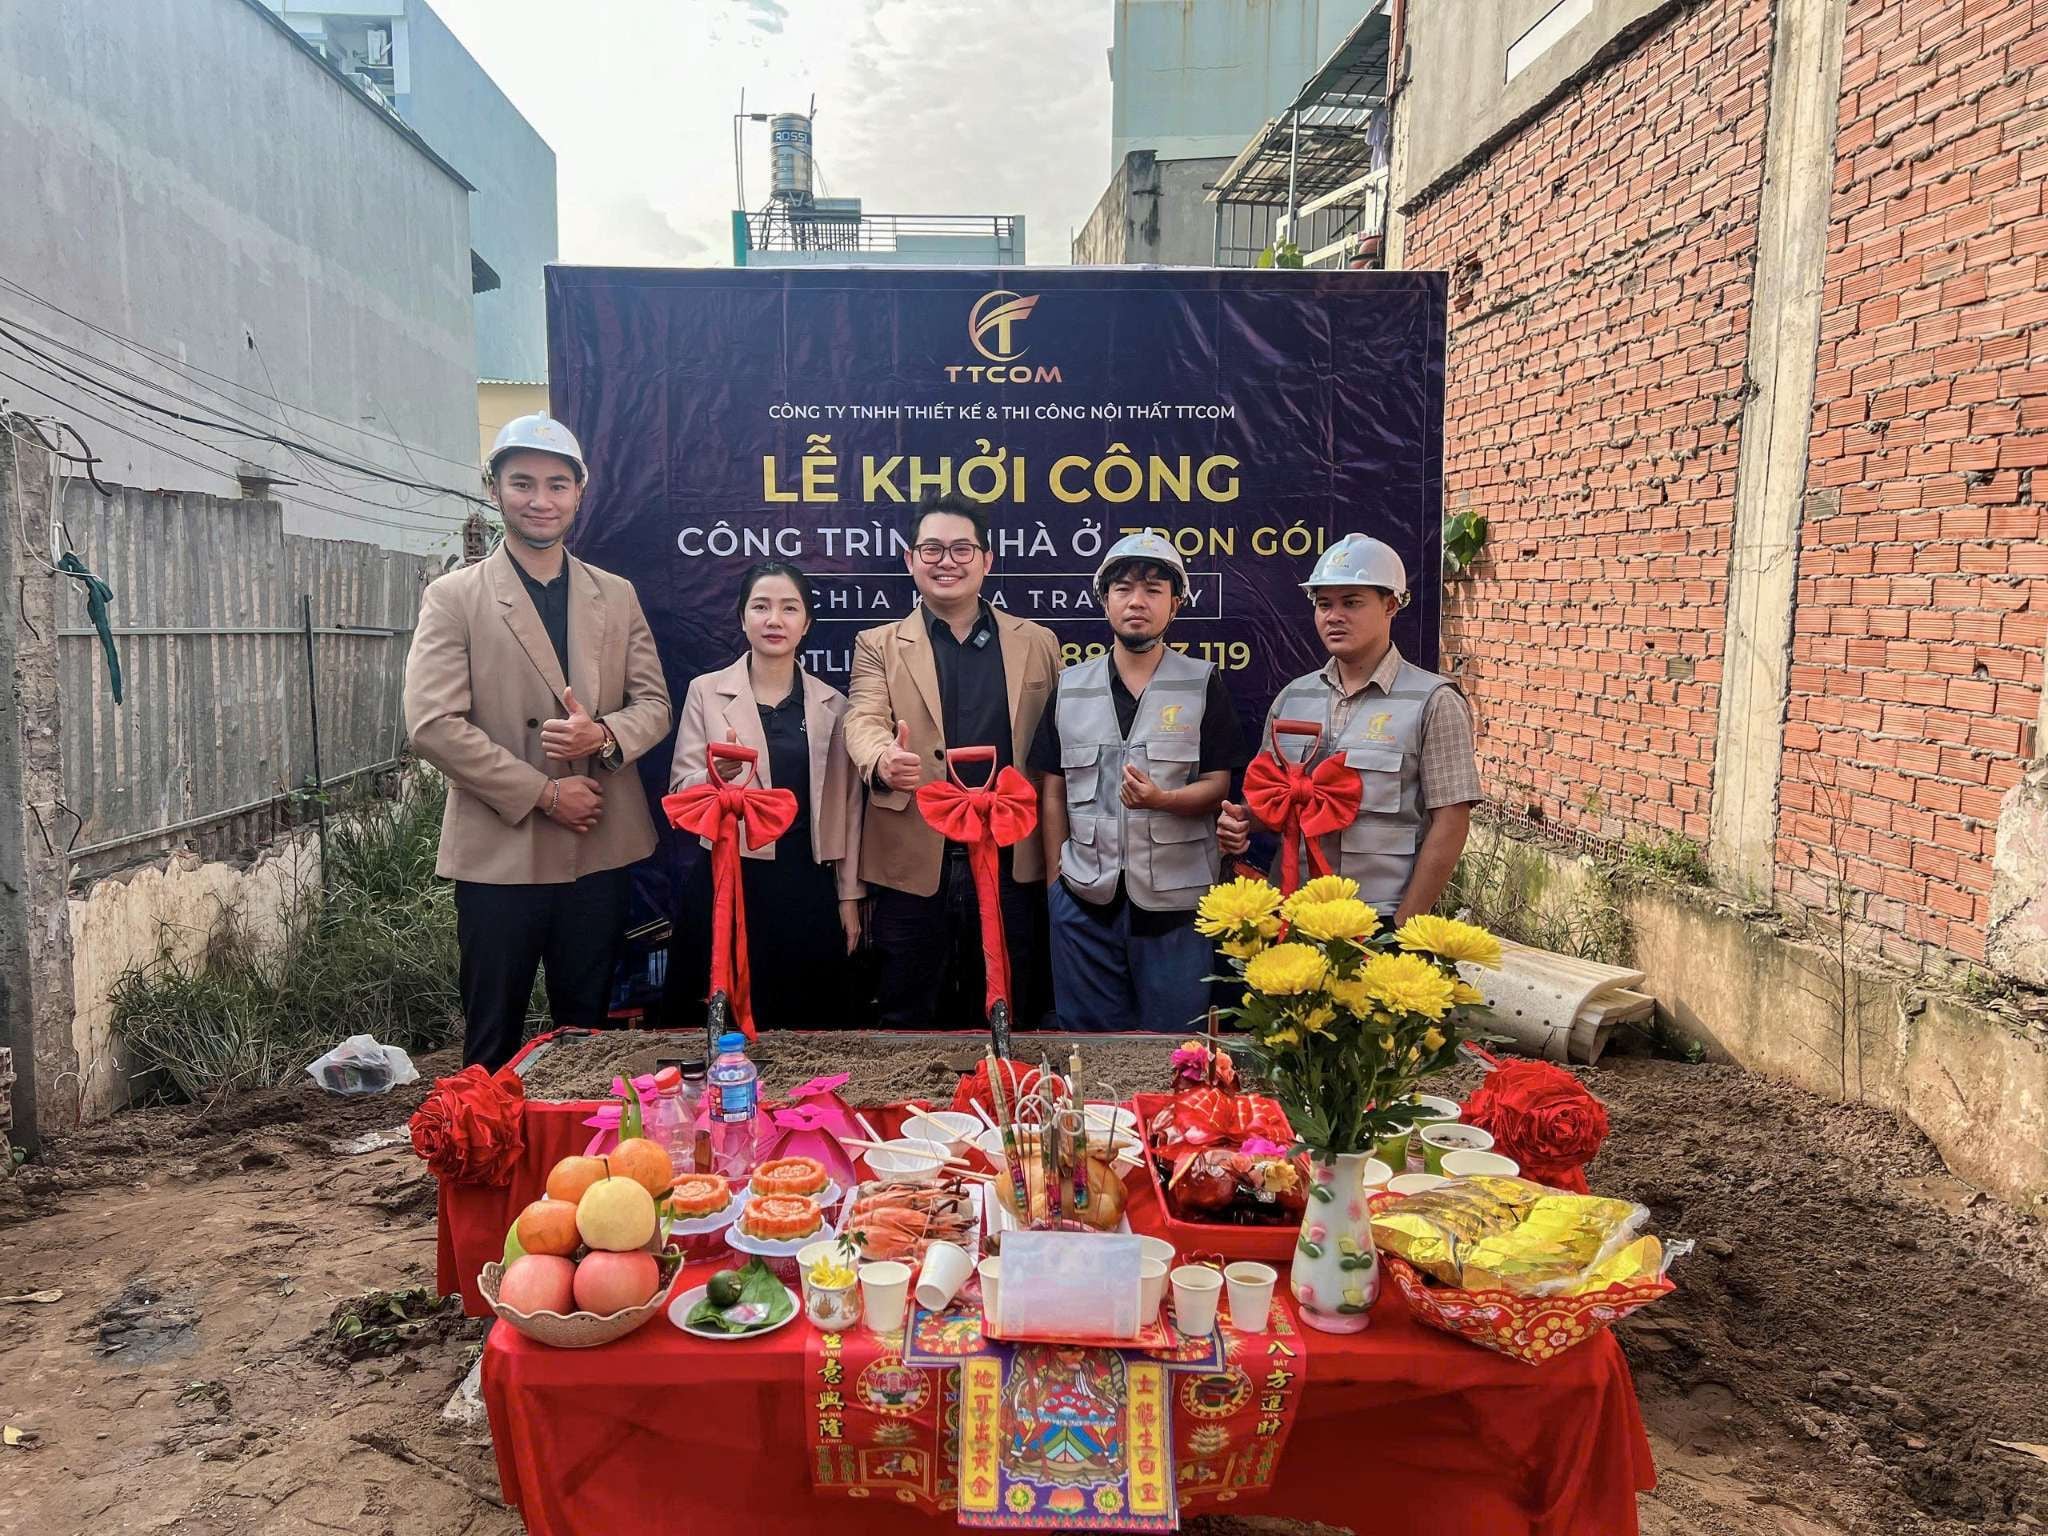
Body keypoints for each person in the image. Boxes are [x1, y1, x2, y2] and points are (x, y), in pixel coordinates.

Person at [403, 413, 672, 1070]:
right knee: (491, 1041)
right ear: (493, 488)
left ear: (580, 492)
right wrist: (545, 794)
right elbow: (432, 724)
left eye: (557, 485)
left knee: (587, 1042)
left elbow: (655, 706)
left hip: (598, 847)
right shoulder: (455, 597)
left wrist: (603, 734)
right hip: (502, 852)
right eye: (523, 483)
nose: (540, 500)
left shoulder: (616, 595)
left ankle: (578, 1141)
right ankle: (486, 1137)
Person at [843, 491, 1061, 1029]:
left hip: (1014, 859)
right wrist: (882, 758)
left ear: (987, 560)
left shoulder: (1038, 643)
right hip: (916, 861)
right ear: (910, 559)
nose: (947, 562)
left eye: (962, 549)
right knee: (909, 1016)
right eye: (932, 549)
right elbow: (862, 718)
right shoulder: (877, 644)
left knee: (1016, 1009)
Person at [1030, 532, 1246, 1032]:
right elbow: (1054, 789)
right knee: (1089, 1054)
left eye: (1153, 590)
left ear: (1175, 603)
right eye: (1123, 588)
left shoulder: (1202, 682)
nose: (1137, 602)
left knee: (1175, 1054)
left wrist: (1163, 799)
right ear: (1104, 600)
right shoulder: (1070, 686)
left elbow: (1218, 784)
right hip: (1084, 905)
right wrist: (1055, 885)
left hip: (1178, 908)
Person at [1219, 533, 1478, 922]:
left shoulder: (1433, 702)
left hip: (1379, 918)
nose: (1334, 616)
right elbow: (1269, 802)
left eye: (1351, 602)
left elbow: (1451, 822)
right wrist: (1242, 820)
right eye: (1324, 604)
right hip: (1294, 916)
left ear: (1390, 605)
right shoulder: (1294, 698)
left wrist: (1406, 925)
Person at [668, 561, 865, 1028]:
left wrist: (849, 896)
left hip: (807, 883)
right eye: (760, 607)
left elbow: (850, 810)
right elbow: (680, 791)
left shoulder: (833, 705)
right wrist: (715, 777)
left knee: (808, 1025)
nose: (774, 620)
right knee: (721, 1022)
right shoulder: (706, 692)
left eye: (789, 608)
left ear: (807, 623)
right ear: (742, 619)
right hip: (728, 876)